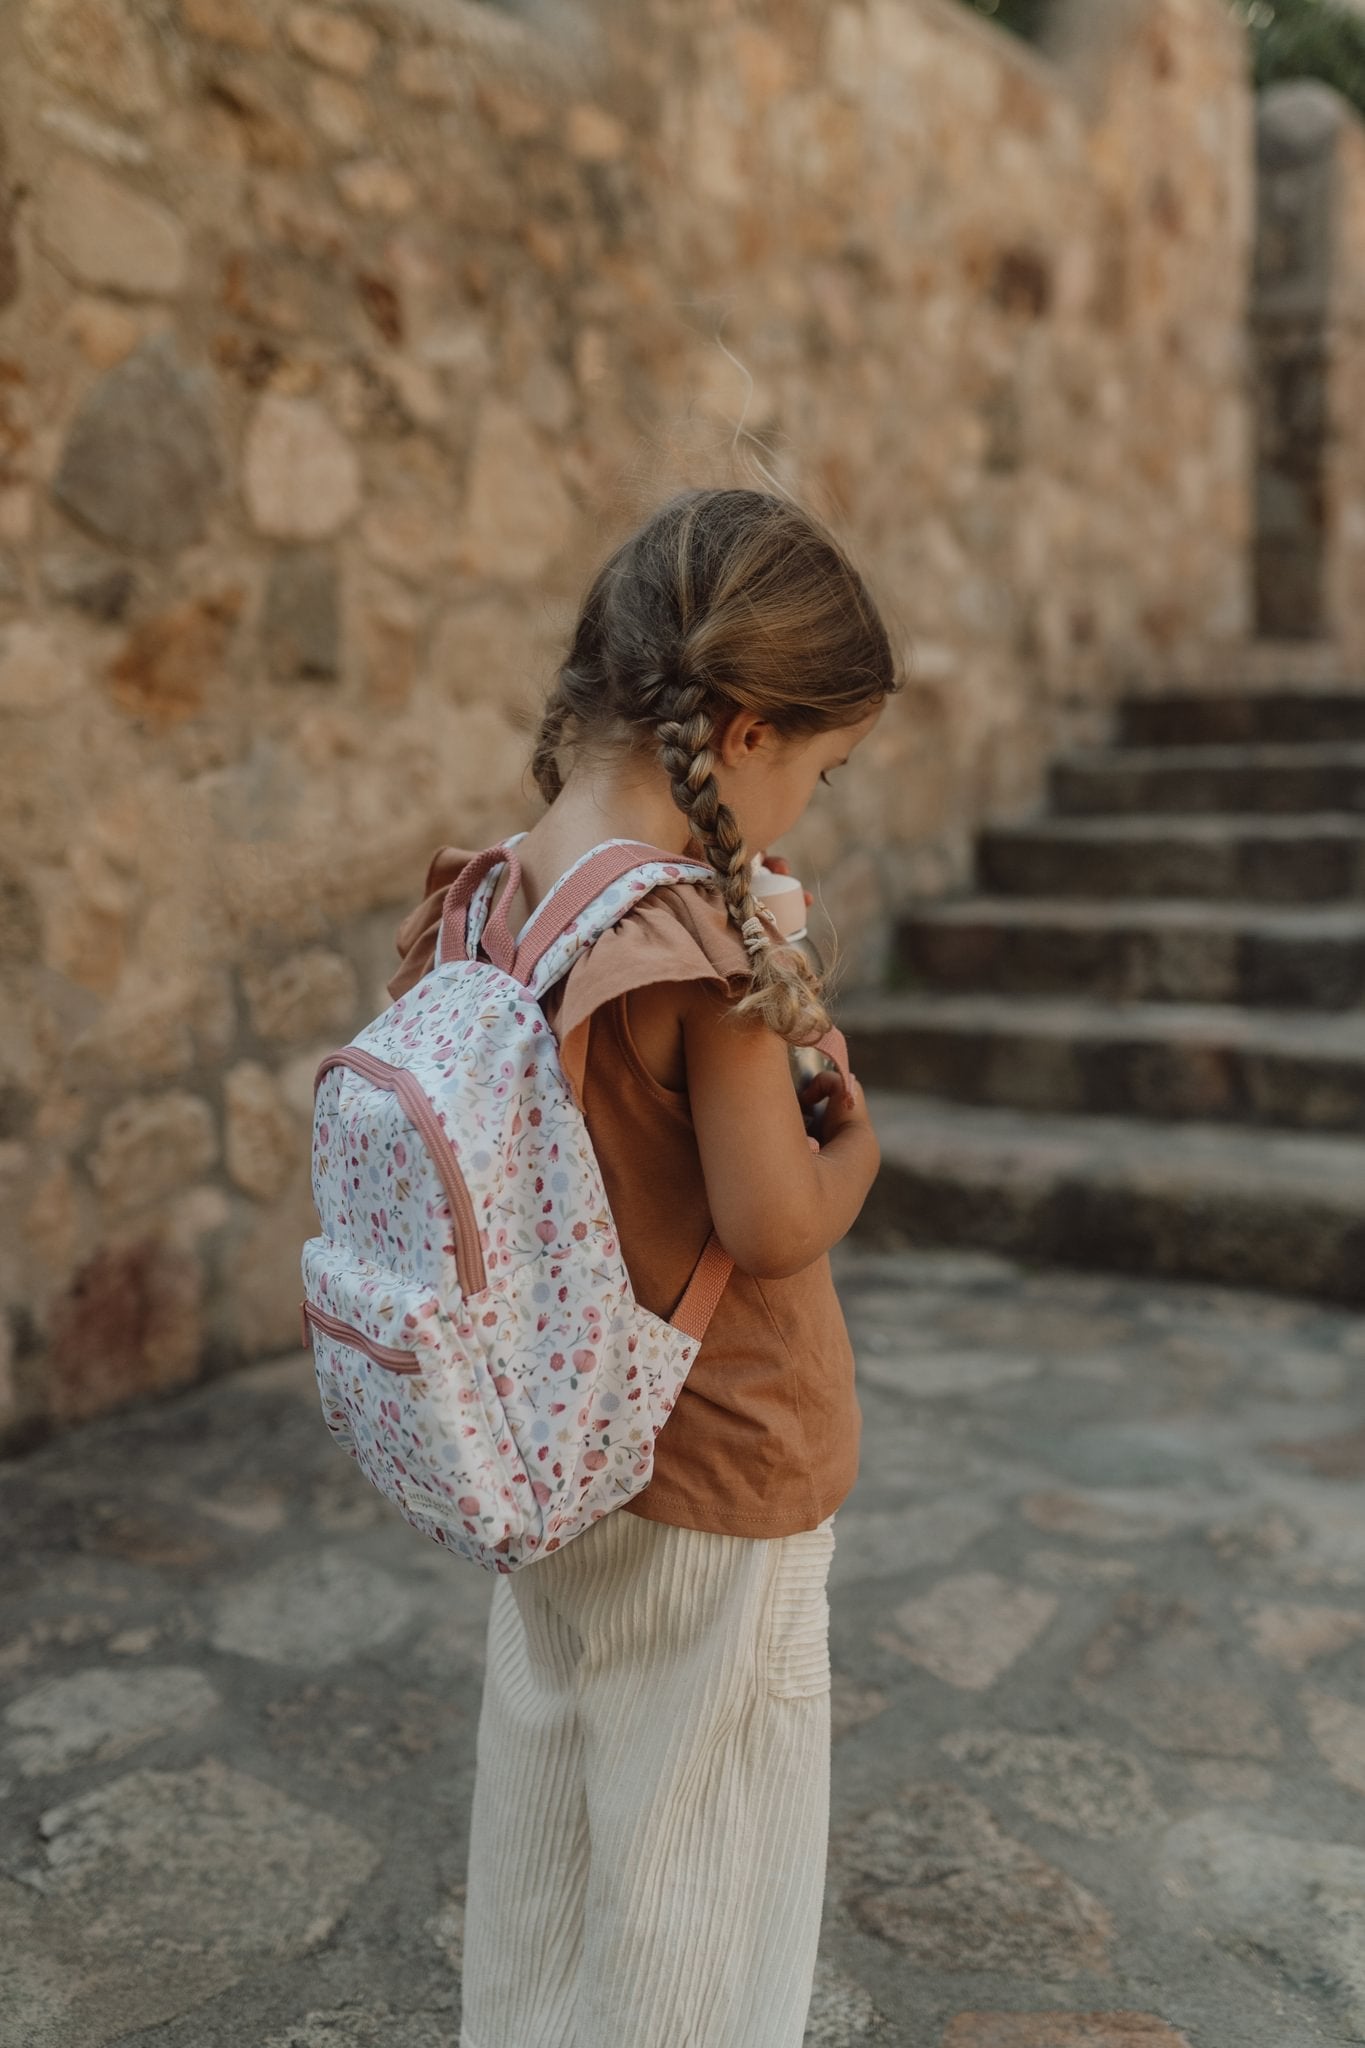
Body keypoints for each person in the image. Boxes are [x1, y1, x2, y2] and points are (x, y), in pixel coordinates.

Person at [386, 484, 902, 2048]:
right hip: (717, 1462)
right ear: (739, 731)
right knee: (701, 1853)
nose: (810, 798)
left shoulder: (482, 898)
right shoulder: (688, 949)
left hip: (548, 1452)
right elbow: (768, 1223)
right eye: (818, 765)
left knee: (550, 1796)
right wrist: (854, 1136)